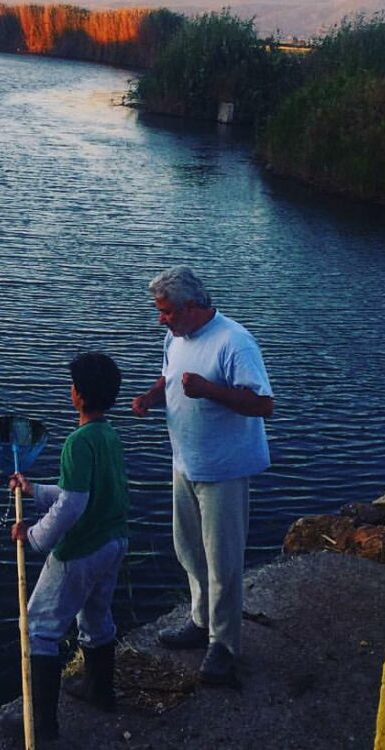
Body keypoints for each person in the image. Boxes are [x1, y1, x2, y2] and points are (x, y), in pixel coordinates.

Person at [131, 266, 273, 686]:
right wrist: (151, 398)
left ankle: (224, 646)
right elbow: (170, 379)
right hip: (185, 462)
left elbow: (263, 404)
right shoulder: (176, 337)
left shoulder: (234, 341)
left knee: (224, 561)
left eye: (167, 311)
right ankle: (199, 621)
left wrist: (210, 390)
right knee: (189, 551)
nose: (161, 319)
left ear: (192, 307)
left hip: (224, 470)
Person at [6, 352, 130, 744]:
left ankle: (42, 729)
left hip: (81, 548)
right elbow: (84, 493)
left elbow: (73, 506)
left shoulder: (77, 443)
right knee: (95, 617)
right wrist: (36, 491)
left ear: (76, 394)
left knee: (38, 628)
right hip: (113, 541)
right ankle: (99, 690)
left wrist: (34, 536)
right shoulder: (107, 435)